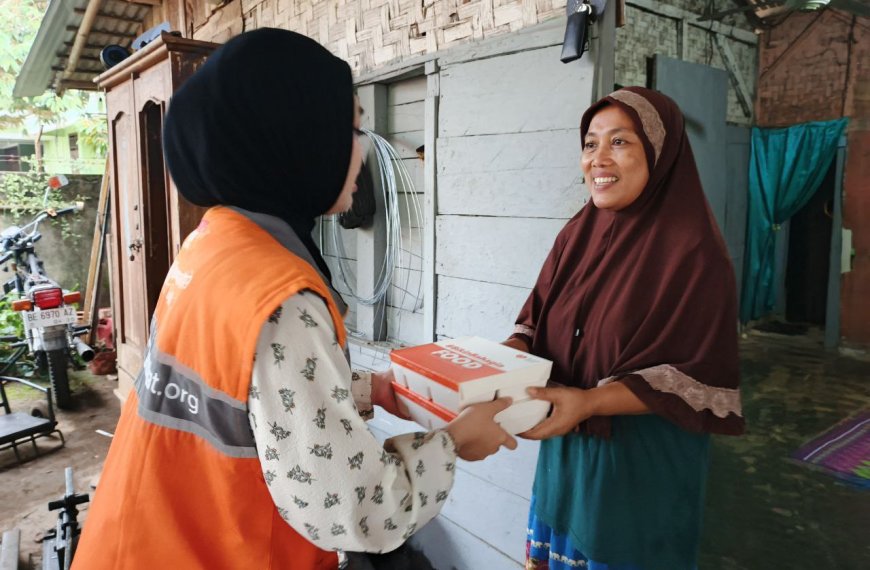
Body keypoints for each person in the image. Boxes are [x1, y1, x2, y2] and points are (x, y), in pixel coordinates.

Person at [72, 28, 516, 570]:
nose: (361, 151)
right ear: (294, 138)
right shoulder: (282, 298)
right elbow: (354, 510)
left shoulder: (213, 246)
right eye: (352, 129)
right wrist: (455, 443)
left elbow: (236, 396)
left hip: (134, 542)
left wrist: (363, 389)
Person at [503, 87, 745, 570]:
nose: (598, 159)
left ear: (659, 152)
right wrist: (505, 360)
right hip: (565, 450)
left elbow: (697, 374)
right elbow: (536, 317)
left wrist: (589, 402)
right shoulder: (577, 233)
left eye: (620, 142)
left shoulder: (694, 254)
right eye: (591, 143)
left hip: (636, 470)